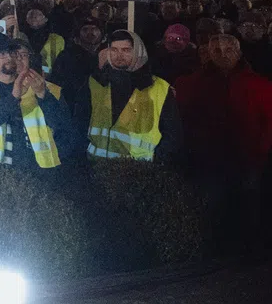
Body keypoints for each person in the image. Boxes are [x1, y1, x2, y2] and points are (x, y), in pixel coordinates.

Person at [177, 34, 272, 257]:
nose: (223, 55)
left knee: (248, 205)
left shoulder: (259, 85)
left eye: (229, 50)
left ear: (238, 52)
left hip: (248, 157)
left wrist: (260, 152)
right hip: (210, 158)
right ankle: (217, 250)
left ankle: (249, 249)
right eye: (217, 51)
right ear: (209, 53)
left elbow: (268, 122)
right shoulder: (194, 83)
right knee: (213, 205)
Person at [0, 34, 75, 177]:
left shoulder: (40, 86)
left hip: (36, 170)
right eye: (2, 54)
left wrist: (43, 95)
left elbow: (62, 125)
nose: (10, 58)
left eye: (12, 53)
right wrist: (13, 97)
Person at [79, 30, 182, 164]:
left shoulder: (159, 88)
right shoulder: (95, 83)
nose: (119, 55)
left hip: (138, 174)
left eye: (126, 50)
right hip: (96, 168)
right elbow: (79, 124)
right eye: (114, 49)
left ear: (138, 52)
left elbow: (173, 135)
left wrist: (157, 163)